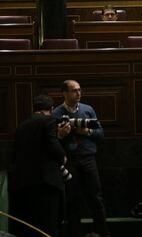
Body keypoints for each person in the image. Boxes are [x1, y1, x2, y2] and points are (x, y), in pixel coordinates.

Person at [52, 80, 110, 237]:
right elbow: (51, 141)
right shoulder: (57, 113)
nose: (78, 93)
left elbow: (100, 134)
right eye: (73, 90)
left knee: (96, 197)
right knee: (72, 200)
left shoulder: (88, 110)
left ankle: (103, 233)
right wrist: (60, 134)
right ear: (64, 93)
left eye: (79, 90)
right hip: (69, 160)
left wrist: (87, 132)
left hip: (88, 158)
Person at [9, 95, 66, 237]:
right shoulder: (49, 120)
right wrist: (62, 155)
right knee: (48, 225)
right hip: (46, 182)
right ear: (51, 109)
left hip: (23, 183)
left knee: (29, 226)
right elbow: (52, 146)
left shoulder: (21, 125)